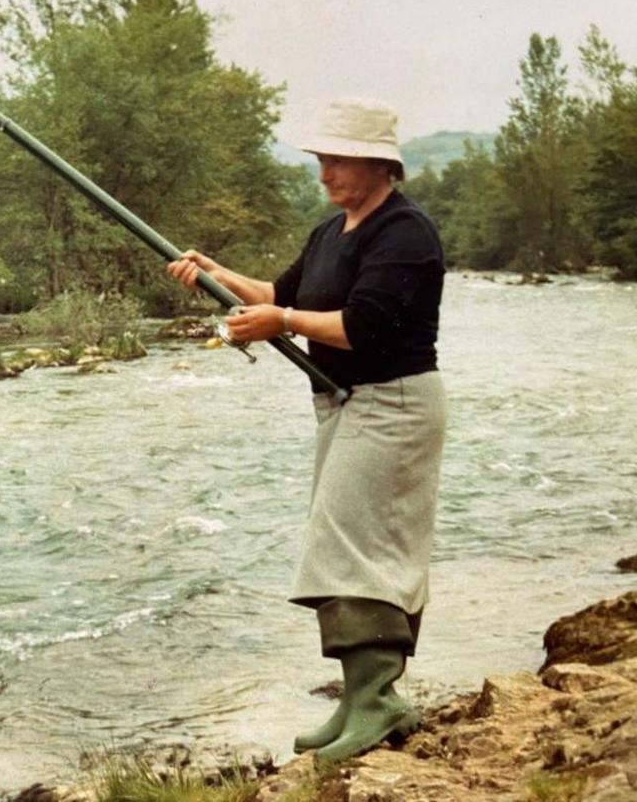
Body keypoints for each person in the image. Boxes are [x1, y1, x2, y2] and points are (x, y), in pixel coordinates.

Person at [167, 97, 447, 763]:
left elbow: (359, 325)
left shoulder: (406, 233)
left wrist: (284, 322)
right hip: (349, 403)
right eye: (322, 158)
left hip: (395, 404)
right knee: (339, 544)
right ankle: (359, 700)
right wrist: (212, 274)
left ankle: (378, 701)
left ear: (379, 164)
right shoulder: (332, 231)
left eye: (336, 158)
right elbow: (276, 292)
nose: (323, 171)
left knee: (360, 547)